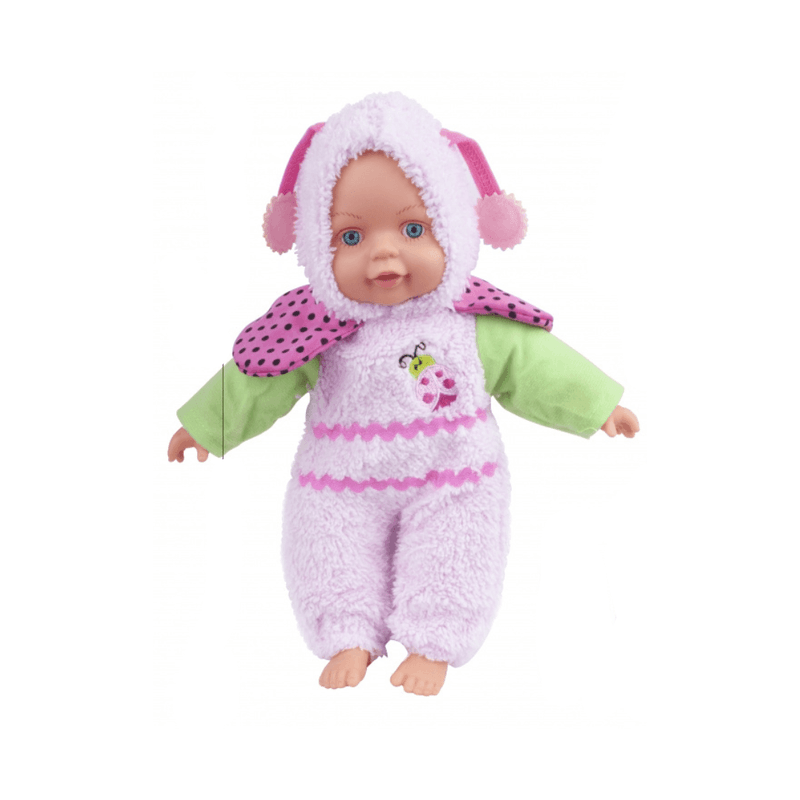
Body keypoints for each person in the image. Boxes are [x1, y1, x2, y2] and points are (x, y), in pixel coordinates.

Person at [168, 93, 639, 696]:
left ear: (455, 225)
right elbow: (257, 379)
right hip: (340, 479)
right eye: (351, 235)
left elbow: (537, 365)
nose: (384, 252)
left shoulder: (471, 321)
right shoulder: (309, 328)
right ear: (314, 242)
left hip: (451, 475)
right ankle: (346, 631)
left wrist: (597, 405)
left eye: (413, 228)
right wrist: (208, 424)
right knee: (324, 539)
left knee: (457, 546)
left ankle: (433, 640)